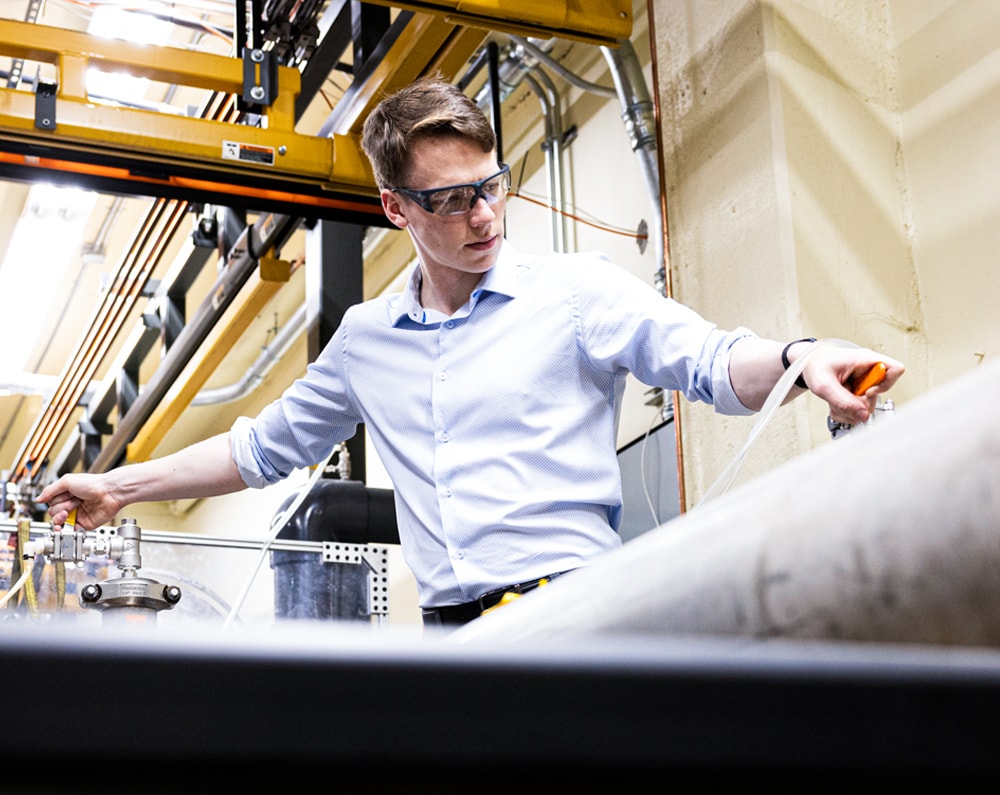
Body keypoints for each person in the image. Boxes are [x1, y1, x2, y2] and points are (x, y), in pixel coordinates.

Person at [39, 76, 904, 626]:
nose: (483, 216)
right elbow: (260, 448)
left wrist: (802, 354)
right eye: (450, 200)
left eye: (490, 187)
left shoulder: (576, 292)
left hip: (580, 609)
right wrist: (117, 485)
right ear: (395, 209)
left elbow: (712, 362)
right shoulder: (367, 340)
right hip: (454, 630)